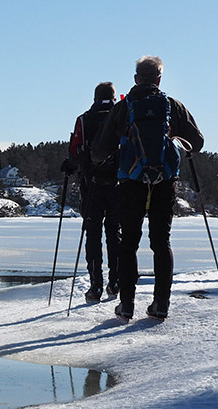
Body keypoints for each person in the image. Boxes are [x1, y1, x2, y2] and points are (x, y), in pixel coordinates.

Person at [92, 56, 204, 322]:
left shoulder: (124, 107)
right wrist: (176, 141)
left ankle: (127, 306)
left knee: (128, 243)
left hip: (131, 182)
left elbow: (99, 151)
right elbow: (197, 142)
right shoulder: (171, 106)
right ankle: (160, 304)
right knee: (161, 242)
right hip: (164, 182)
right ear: (159, 79)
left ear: (135, 79)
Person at [61, 82, 121, 304]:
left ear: (95, 97)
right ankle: (115, 282)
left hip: (92, 185)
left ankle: (95, 285)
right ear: (113, 97)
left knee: (93, 234)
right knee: (115, 233)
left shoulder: (84, 119)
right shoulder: (122, 116)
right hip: (118, 185)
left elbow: (75, 151)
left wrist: (70, 166)